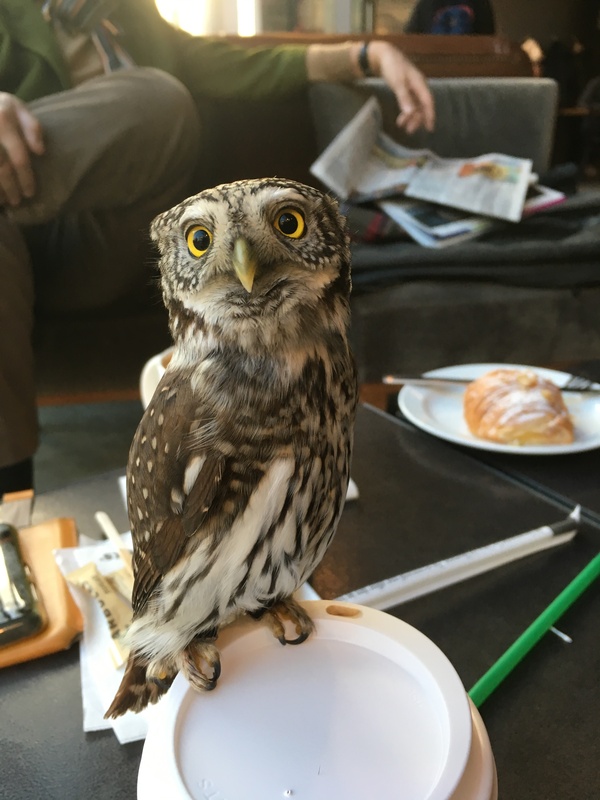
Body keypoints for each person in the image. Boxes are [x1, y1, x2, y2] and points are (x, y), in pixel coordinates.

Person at [0, 0, 435, 496]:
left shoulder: (136, 19)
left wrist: (368, 53)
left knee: (157, 100)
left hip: (94, 252)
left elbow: (255, 65)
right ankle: (11, 507)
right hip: (15, 247)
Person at [404, 0, 496, 35]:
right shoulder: (426, 4)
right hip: (432, 69)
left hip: (471, 69)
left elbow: (487, 39)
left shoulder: (480, 3)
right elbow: (411, 38)